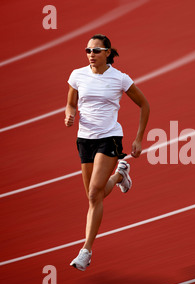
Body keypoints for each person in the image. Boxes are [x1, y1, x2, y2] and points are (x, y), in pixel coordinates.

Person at [64, 34, 150, 271]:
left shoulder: (120, 79)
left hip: (109, 138)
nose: (91, 54)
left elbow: (144, 105)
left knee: (94, 193)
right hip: (84, 140)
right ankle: (120, 176)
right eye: (88, 50)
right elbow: (71, 102)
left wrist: (139, 139)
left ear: (108, 53)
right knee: (95, 197)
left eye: (96, 50)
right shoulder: (77, 75)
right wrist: (69, 114)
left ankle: (86, 251)